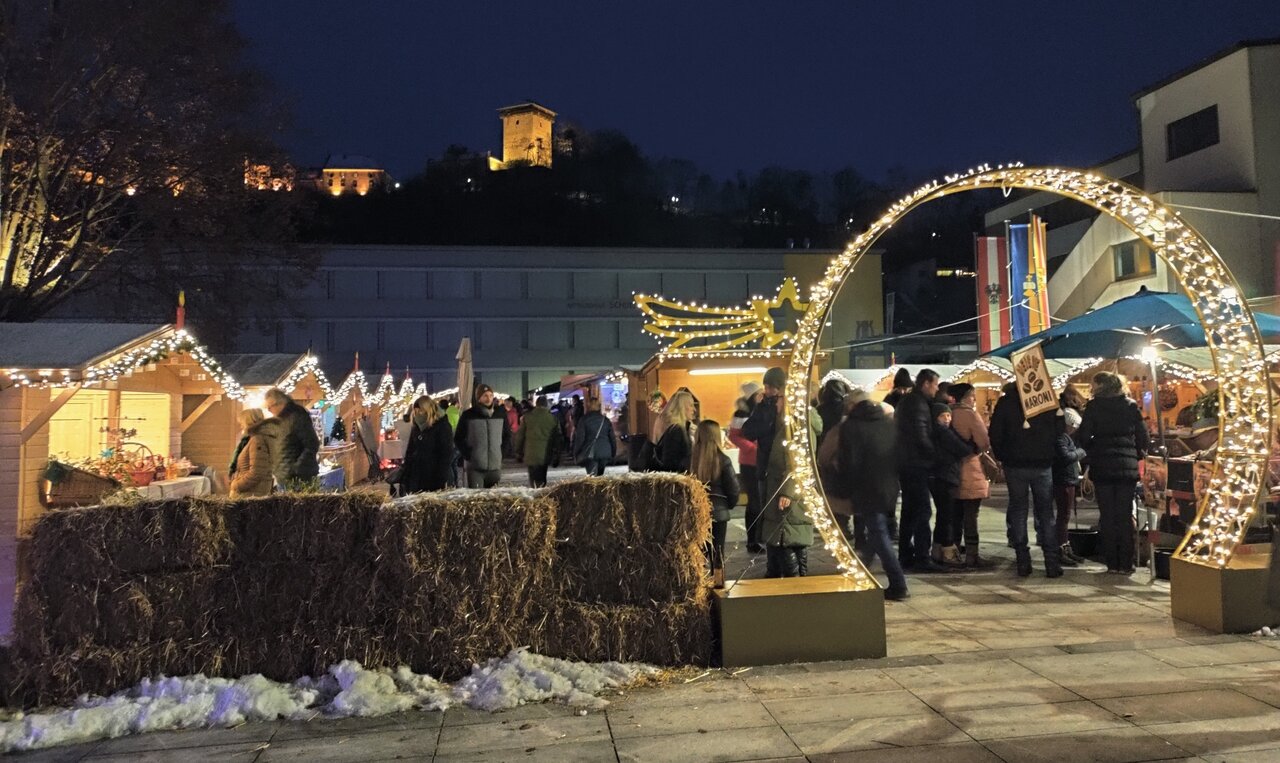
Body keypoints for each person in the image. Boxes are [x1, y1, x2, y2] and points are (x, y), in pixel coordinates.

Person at [1074, 372, 1148, 574]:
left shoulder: (1094, 406)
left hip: (1103, 466)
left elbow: (1083, 435)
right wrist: (1137, 453)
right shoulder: (1131, 405)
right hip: (1127, 467)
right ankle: (1127, 562)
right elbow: (1143, 436)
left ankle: (1112, 563)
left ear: (1101, 386)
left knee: (1107, 515)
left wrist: (1094, 450)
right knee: (1124, 515)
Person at [837, 390, 909, 599]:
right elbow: (899, 454)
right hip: (888, 485)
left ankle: (898, 583)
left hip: (865, 486)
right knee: (876, 531)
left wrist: (845, 487)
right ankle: (859, 572)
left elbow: (848, 461)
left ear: (851, 405)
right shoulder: (887, 423)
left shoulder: (851, 426)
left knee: (877, 532)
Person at [990, 381, 1065, 578]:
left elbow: (995, 433)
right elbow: (1060, 429)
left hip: (1015, 463)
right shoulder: (1047, 401)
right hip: (1042, 462)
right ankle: (1051, 561)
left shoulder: (1006, 403)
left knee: (1018, 509)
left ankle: (1023, 560)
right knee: (1046, 511)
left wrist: (1002, 456)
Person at [760, 387, 821, 577]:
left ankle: (794, 589)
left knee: (789, 539)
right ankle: (788, 588)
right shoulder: (788, 425)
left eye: (779, 399)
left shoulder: (798, 426)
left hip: (789, 494)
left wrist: (787, 491)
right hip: (784, 491)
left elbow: (798, 462)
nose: (776, 403)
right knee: (784, 541)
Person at [894, 369, 947, 572]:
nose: (936, 389)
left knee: (910, 511)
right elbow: (920, 435)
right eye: (934, 385)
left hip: (906, 463)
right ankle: (922, 558)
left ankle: (906, 555)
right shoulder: (917, 404)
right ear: (925, 383)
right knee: (923, 510)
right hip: (915, 464)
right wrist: (935, 457)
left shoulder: (909, 401)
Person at [948, 383, 996, 568]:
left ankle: (952, 553)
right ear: (965, 396)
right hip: (970, 469)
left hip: (949, 470)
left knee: (954, 515)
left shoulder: (946, 413)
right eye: (972, 395)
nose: (974, 399)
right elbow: (984, 442)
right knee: (971, 516)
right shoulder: (970, 414)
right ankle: (972, 555)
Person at [929, 401, 977, 568]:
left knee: (943, 515)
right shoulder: (943, 433)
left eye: (949, 415)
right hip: (946, 476)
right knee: (947, 515)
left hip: (937, 476)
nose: (947, 419)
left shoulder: (933, 432)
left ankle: (936, 549)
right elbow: (962, 448)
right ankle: (948, 551)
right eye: (944, 415)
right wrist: (972, 444)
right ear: (936, 417)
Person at [690, 419, 739, 579]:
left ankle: (699, 585)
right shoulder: (723, 460)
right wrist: (728, 505)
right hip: (718, 512)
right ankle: (718, 583)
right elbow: (733, 489)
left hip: (696, 511)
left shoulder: (691, 460)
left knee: (698, 553)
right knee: (718, 553)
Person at [729, 382, 765, 553]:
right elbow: (734, 437)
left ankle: (760, 536)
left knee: (761, 500)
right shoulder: (741, 414)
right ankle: (753, 539)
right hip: (750, 463)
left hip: (761, 461)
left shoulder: (761, 410)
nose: (762, 396)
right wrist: (752, 448)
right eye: (758, 394)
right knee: (754, 501)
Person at [454, 383, 511, 488]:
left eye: (490, 395)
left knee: (493, 499)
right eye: (485, 395)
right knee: (476, 498)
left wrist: (502, 453)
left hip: (495, 466)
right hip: (475, 467)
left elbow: (507, 435)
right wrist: (468, 454)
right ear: (478, 398)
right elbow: (458, 438)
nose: (488, 398)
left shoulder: (500, 414)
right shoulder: (468, 415)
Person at [1052, 406, 1088, 567]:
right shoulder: (1061, 438)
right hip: (1064, 480)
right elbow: (1066, 457)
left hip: (1067, 479)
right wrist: (1081, 452)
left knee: (1064, 516)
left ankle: (1065, 547)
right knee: (1063, 516)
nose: (1075, 429)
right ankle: (1061, 548)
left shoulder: (1065, 437)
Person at [264, 387, 320, 489]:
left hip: (299, 478)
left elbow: (312, 443)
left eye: (270, 406)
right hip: (283, 476)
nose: (268, 410)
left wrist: (296, 469)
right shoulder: (279, 420)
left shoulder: (297, 416)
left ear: (279, 403)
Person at [400, 395, 454, 493]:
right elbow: (410, 450)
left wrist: (440, 478)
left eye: (420, 411)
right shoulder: (416, 427)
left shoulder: (442, 426)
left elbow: (446, 453)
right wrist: (406, 473)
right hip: (416, 477)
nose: (417, 414)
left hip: (434, 477)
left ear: (428, 410)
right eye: (415, 411)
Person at [514, 396, 561, 487]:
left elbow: (520, 436)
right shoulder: (553, 419)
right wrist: (557, 455)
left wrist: (518, 452)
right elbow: (558, 438)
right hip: (545, 454)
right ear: (546, 405)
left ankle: (535, 494)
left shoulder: (527, 417)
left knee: (533, 480)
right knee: (542, 478)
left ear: (536, 404)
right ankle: (541, 493)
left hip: (531, 454)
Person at [229, 408, 275, 496]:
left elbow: (257, 472)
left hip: (250, 493)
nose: (241, 426)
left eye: (242, 422)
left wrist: (236, 485)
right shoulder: (259, 438)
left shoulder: (257, 440)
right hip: (254, 491)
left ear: (249, 422)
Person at [652, 390, 696, 472]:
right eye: (691, 405)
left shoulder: (666, 423)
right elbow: (671, 462)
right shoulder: (676, 429)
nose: (694, 409)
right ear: (682, 407)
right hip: (677, 478)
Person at [572, 397, 616, 476]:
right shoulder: (605, 420)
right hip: (605, 452)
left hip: (590, 453)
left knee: (592, 477)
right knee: (600, 477)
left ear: (589, 406)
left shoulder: (584, 420)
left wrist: (576, 453)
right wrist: (613, 452)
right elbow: (612, 438)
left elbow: (580, 439)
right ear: (599, 407)